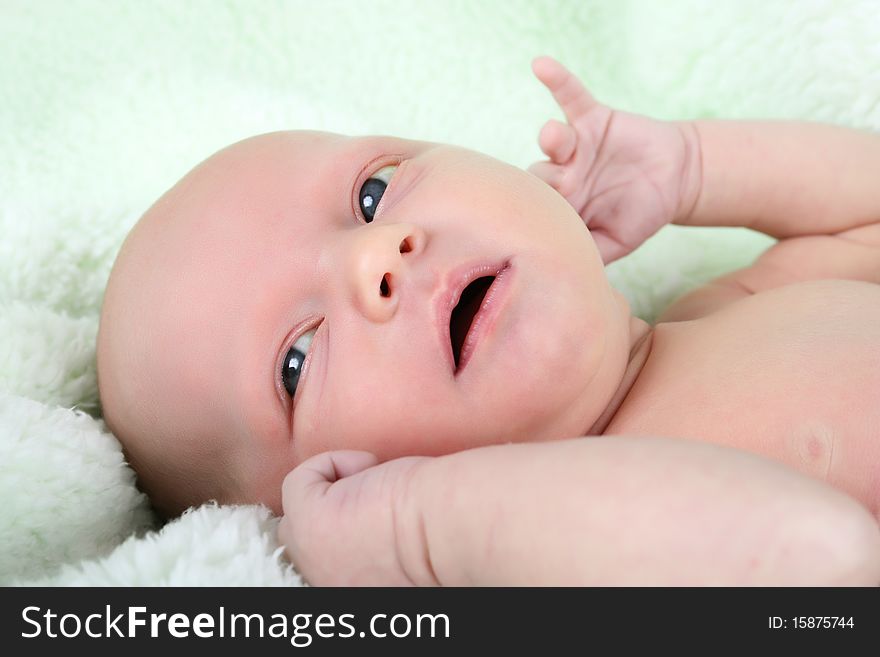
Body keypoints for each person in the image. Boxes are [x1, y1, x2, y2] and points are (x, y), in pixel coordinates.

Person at [96, 57, 880, 585]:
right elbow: (818, 558)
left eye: (372, 194)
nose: (377, 258)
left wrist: (697, 167)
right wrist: (416, 534)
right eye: (295, 360)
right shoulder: (557, 563)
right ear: (328, 499)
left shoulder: (734, 304)